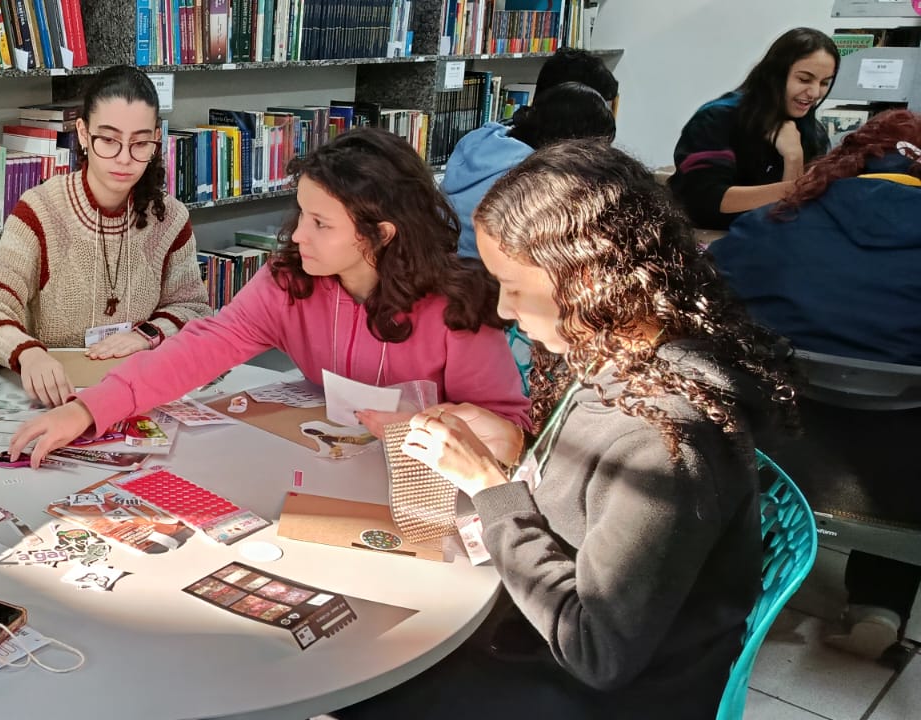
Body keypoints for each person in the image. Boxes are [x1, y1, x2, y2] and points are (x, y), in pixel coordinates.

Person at [337, 141, 795, 719]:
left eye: (513, 287)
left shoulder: (664, 440)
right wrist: (518, 451)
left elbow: (596, 652)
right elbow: (589, 505)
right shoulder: (622, 354)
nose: (504, 310)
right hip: (549, 645)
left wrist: (491, 489)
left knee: (356, 679)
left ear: (588, 276)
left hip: (602, 694)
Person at [5, 127, 530, 467]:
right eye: (302, 214)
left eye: (321, 223)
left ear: (380, 234)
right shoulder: (290, 282)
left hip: (428, 491)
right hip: (322, 467)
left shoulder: (457, 308)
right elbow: (198, 349)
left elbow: (510, 432)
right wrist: (88, 409)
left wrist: (426, 427)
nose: (298, 235)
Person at [710, 109, 921, 664]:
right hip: (906, 488)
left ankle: (749, 573)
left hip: (773, 457)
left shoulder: (775, 223)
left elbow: (707, 297)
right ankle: (880, 605)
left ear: (848, 159)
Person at [0, 65, 212, 407]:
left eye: (140, 143)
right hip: (54, 396)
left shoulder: (169, 217)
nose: (124, 159)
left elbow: (195, 309)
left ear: (156, 139)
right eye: (108, 140)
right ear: (82, 133)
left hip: (135, 391)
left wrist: (148, 335)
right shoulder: (40, 210)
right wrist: (27, 353)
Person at [669, 27, 840, 230]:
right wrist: (796, 189)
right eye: (804, 79)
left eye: (824, 83)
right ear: (775, 74)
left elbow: (794, 215)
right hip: (703, 239)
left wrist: (793, 157)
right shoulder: (716, 119)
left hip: (768, 240)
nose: (814, 92)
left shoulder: (813, 132)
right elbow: (704, 200)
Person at [443, 81, 617, 258]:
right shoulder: (538, 177)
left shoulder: (482, 137)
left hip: (443, 254)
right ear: (575, 141)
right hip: (482, 266)